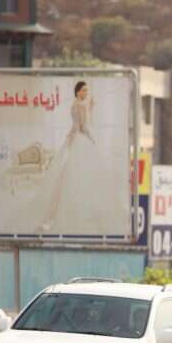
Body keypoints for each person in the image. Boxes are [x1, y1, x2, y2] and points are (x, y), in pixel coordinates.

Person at [30, 81, 115, 234]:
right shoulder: (80, 105)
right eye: (83, 90)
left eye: (86, 90)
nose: (86, 93)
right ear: (77, 92)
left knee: (71, 176)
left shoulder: (75, 105)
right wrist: (91, 138)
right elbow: (84, 125)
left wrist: (91, 108)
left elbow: (79, 122)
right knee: (81, 176)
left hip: (75, 139)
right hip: (80, 139)